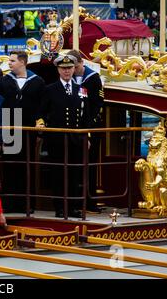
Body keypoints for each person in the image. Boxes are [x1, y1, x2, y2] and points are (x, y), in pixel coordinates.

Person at [38, 55, 90, 218]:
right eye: (63, 68)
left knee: (74, 173)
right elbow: (41, 112)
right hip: (56, 140)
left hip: (76, 139)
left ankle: (73, 206)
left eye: (69, 68)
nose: (66, 71)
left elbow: (84, 115)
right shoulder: (49, 89)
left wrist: (86, 135)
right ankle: (60, 207)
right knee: (58, 173)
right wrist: (42, 127)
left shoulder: (82, 89)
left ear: (74, 69)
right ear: (58, 70)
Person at [0, 50, 46, 213]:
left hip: (28, 129)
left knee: (27, 166)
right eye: (9, 61)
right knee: (10, 166)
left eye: (12, 61)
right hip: (10, 128)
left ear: (22, 62)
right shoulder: (4, 81)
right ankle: (10, 203)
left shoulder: (37, 82)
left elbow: (41, 106)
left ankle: (26, 204)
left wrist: (39, 125)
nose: (9, 63)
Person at [67, 49, 105, 213]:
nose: (71, 70)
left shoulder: (93, 78)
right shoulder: (68, 79)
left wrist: (88, 128)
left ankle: (90, 200)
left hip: (91, 128)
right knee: (73, 166)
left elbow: (98, 105)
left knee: (90, 166)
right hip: (73, 129)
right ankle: (74, 201)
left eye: (74, 66)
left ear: (81, 63)